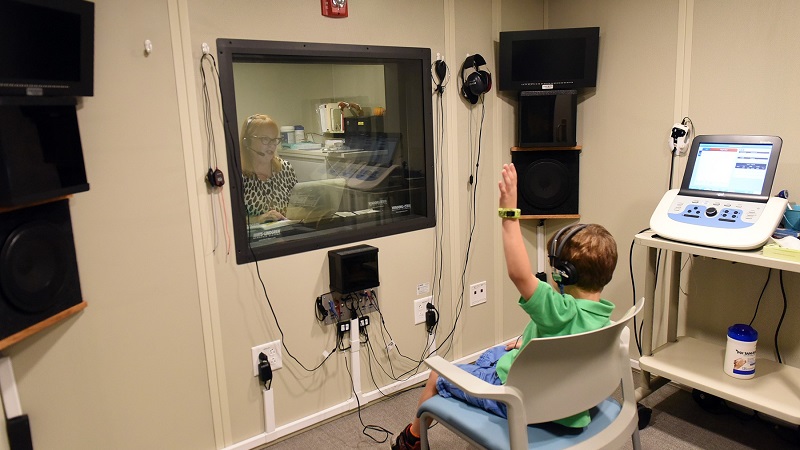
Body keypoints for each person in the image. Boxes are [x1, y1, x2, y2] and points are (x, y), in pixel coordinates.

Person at [391, 163, 618, 450]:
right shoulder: (603, 316)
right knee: (494, 352)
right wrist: (529, 343)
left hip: (526, 403)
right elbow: (565, 340)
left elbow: (519, 274)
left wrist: (508, 214)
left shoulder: (559, 312)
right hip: (564, 398)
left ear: (565, 274)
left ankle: (411, 438)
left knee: (439, 374)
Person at [239, 114, 298, 223]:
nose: (272, 145)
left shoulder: (285, 168)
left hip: (287, 235)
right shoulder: (237, 175)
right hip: (253, 238)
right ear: (247, 142)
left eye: (274, 139)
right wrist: (257, 219)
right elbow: (231, 219)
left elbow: (298, 205)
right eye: (265, 139)